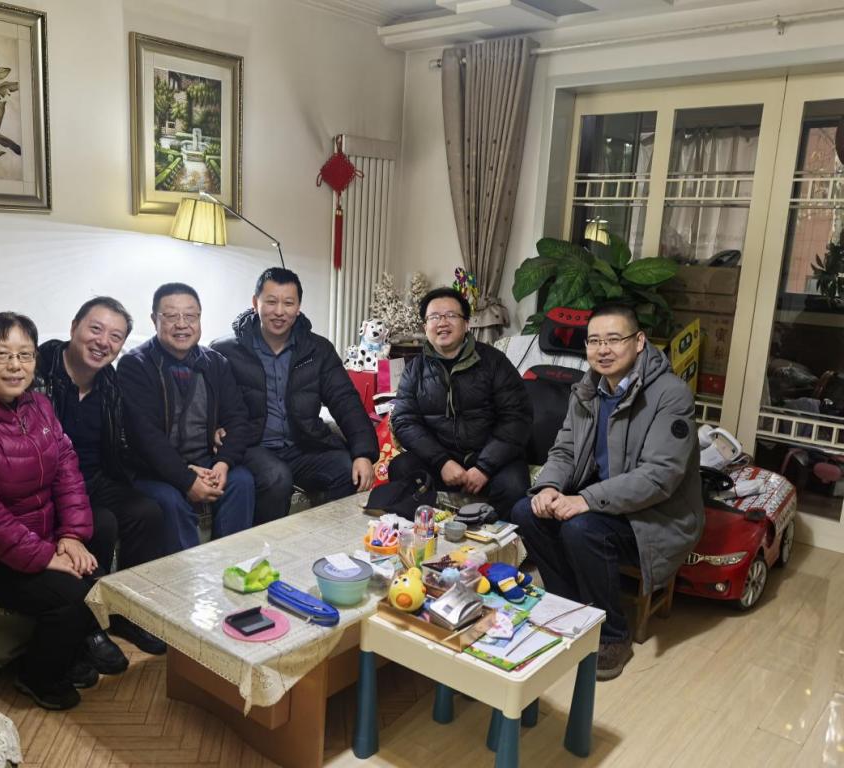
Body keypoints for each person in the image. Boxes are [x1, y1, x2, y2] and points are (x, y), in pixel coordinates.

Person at [0, 297, 168, 655]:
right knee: (102, 522)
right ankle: (89, 629)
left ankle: (127, 613)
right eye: (95, 329)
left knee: (148, 511)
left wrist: (186, 471)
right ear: (73, 327)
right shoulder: (39, 376)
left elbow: (113, 444)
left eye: (115, 336)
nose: (103, 342)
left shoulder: (107, 384)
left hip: (84, 479)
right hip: (39, 492)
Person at [0, 312, 125, 711]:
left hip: (42, 533)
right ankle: (37, 676)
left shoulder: (38, 404)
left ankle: (76, 642)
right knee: (77, 593)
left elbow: (66, 468)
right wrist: (47, 556)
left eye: (25, 355)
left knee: (102, 529)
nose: (15, 366)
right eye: (2, 354)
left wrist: (71, 536)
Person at [511, 304, 704, 681]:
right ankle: (571, 608)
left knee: (581, 529)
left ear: (639, 341)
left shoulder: (670, 395)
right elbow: (565, 450)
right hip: (605, 501)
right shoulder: (588, 389)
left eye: (614, 339)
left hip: (655, 515)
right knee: (526, 510)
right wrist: (549, 486)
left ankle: (613, 634)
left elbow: (659, 477)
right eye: (594, 341)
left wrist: (584, 500)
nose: (603, 349)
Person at [210, 267, 379, 524]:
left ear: (298, 307)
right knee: (277, 478)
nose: (279, 311)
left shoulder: (318, 349)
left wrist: (363, 453)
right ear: (255, 303)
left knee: (346, 468)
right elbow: (206, 400)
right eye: (271, 301)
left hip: (303, 445)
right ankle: (266, 545)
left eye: (288, 303)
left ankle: (329, 540)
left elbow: (346, 401)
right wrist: (212, 428)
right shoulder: (226, 350)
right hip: (252, 447)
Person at [117, 283, 255, 553]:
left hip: (205, 461)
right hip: (153, 471)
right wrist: (186, 479)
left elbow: (238, 418)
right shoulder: (135, 365)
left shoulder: (216, 363)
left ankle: (232, 564)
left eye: (190, 316)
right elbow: (145, 437)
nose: (182, 324)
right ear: (154, 319)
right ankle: (187, 575)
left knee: (241, 481)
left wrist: (223, 463)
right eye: (171, 316)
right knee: (170, 500)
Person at [389, 287, 531, 517]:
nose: (442, 322)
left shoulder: (494, 362)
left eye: (451, 315)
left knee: (514, 485)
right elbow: (404, 421)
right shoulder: (414, 369)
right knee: (402, 467)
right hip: (441, 460)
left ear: (466, 324)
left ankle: (490, 537)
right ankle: (426, 531)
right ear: (425, 327)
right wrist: (442, 461)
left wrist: (484, 467)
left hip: (491, 459)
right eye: (434, 317)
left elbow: (517, 417)